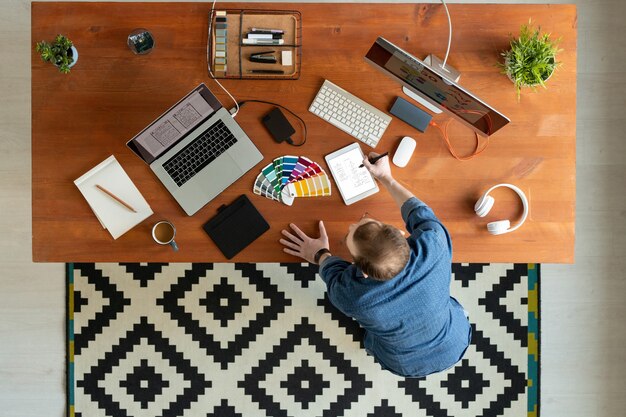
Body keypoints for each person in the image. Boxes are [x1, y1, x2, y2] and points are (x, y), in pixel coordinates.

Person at [279, 152, 471, 378]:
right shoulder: (435, 244)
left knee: (372, 340)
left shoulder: (351, 297)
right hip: (456, 340)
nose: (351, 226)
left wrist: (319, 252)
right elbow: (418, 211)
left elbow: (332, 274)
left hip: (403, 363)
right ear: (401, 234)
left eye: (347, 240)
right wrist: (386, 178)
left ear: (361, 272)